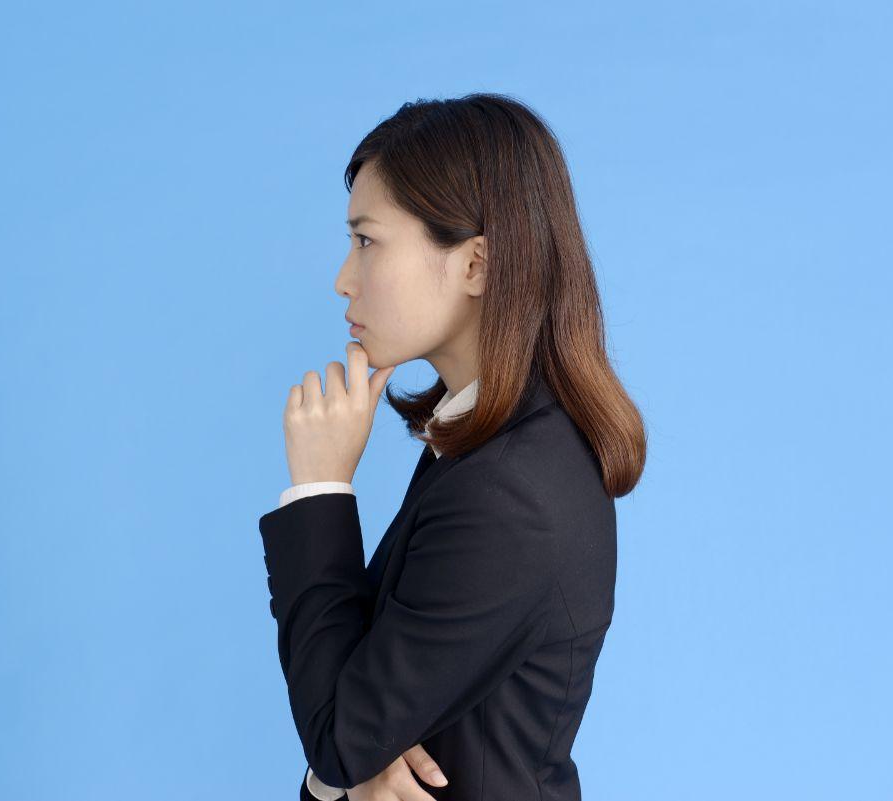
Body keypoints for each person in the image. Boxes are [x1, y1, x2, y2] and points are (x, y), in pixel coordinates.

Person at [259, 92, 646, 801]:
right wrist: (359, 750)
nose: (343, 280)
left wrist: (319, 488)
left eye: (367, 241)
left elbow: (341, 736)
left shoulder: (511, 492)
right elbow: (364, 707)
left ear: (475, 265)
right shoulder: (486, 440)